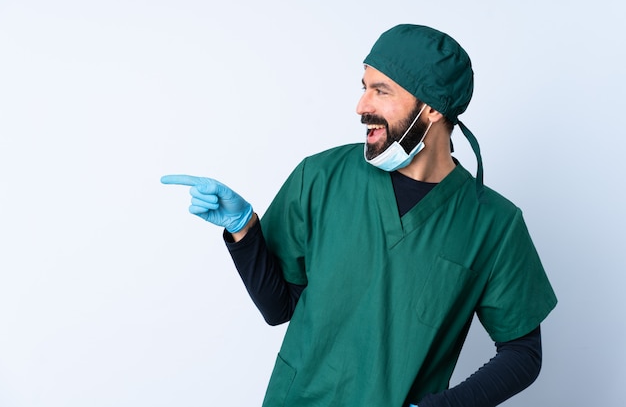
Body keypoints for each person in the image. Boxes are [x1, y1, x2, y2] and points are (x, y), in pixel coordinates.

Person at [161, 24, 557, 407]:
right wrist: (244, 229)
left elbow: (523, 352)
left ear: (433, 108)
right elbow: (279, 308)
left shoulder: (493, 224)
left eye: (381, 91)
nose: (361, 107)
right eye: (364, 87)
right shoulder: (321, 177)